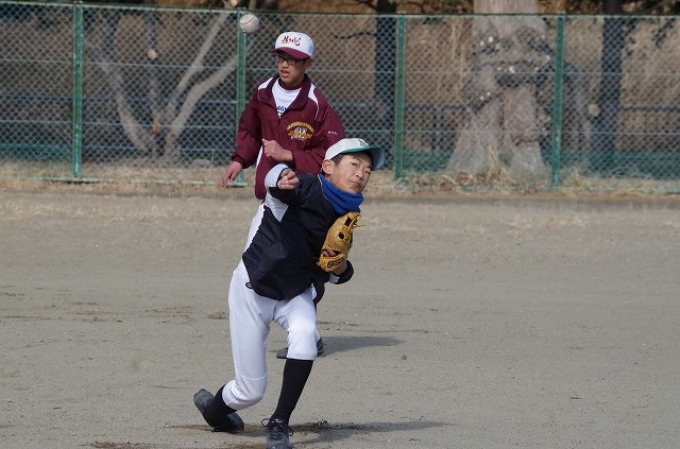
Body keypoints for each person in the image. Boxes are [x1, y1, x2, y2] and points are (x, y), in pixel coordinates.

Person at [194, 138, 385, 449]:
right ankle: (214, 411)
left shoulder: (348, 212)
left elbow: (336, 272)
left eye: (367, 170)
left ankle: (279, 423)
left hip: (295, 292)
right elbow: (276, 184)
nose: (361, 174)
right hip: (254, 288)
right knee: (249, 392)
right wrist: (279, 176)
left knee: (306, 334)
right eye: (354, 165)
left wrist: (339, 266)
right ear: (328, 166)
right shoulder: (307, 186)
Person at [221, 31, 346, 357]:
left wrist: (289, 155)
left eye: (293, 59)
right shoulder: (263, 92)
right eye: (281, 57)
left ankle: (307, 334)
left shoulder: (316, 103)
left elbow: (333, 156)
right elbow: (249, 131)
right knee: (253, 262)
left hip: (303, 201)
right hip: (271, 198)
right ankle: (265, 329)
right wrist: (239, 160)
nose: (285, 64)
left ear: (308, 63)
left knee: (298, 268)